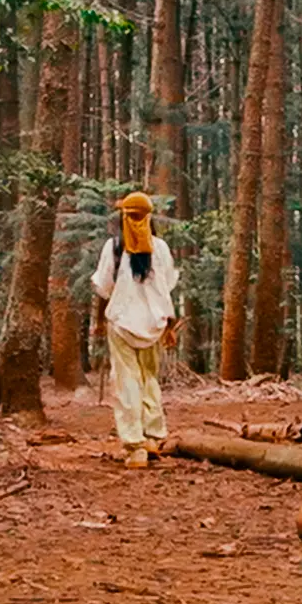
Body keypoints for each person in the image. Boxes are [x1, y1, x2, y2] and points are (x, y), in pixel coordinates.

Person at [90, 191, 179, 467]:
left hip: (122, 324)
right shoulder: (161, 248)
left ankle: (135, 446)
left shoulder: (114, 248)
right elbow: (167, 288)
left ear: (124, 216)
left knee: (127, 382)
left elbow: (103, 287)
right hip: (154, 323)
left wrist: (100, 321)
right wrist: (170, 324)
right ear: (149, 217)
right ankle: (153, 437)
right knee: (149, 378)